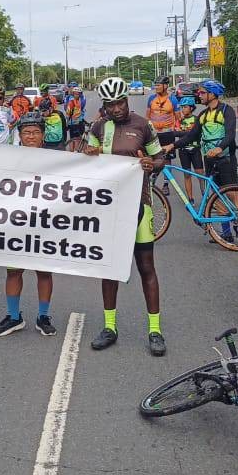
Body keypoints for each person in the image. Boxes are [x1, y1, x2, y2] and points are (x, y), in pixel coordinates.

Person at [84, 77, 167, 356]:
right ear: (104, 106)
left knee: (146, 268)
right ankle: (110, 327)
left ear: (127, 101)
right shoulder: (97, 127)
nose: (116, 108)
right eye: (110, 104)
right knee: (109, 269)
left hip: (139, 205)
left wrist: (149, 164)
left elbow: (160, 159)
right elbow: (85, 163)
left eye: (120, 102)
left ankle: (154, 330)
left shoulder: (143, 125)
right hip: (109, 209)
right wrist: (89, 155)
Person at [0, 110, 58, 338]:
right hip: (16, 223)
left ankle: (43, 316)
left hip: (45, 224)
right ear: (19, 135)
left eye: (36, 132)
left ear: (43, 136)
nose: (31, 136)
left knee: (44, 272)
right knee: (13, 271)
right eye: (26, 132)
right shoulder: (11, 159)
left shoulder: (58, 160)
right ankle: (13, 317)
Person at [167, 80, 238, 243]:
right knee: (215, 197)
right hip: (209, 160)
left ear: (213, 94)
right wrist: (172, 145)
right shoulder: (202, 115)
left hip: (225, 158)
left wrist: (219, 148)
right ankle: (226, 233)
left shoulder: (226, 110)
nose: (199, 95)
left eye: (203, 93)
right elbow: (191, 136)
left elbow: (230, 134)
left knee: (232, 194)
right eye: (200, 93)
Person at [173, 96, 203, 202]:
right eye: (182, 107)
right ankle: (190, 198)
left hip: (195, 149)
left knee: (200, 174)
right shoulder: (179, 121)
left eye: (185, 107)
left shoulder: (196, 119)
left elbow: (196, 134)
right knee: (187, 175)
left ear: (191, 108)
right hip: (183, 151)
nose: (183, 110)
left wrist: (185, 133)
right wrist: (189, 132)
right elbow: (175, 133)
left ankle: (205, 196)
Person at [146, 76, 181, 149]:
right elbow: (147, 116)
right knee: (154, 158)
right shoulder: (151, 98)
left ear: (165, 86)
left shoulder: (172, 99)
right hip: (154, 134)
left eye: (158, 85)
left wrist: (177, 129)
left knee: (166, 158)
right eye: (155, 85)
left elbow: (178, 117)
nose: (156, 87)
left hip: (168, 134)